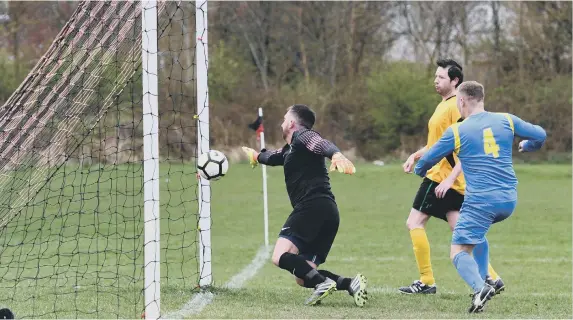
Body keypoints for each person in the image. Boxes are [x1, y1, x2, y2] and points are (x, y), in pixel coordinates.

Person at [414, 81, 546, 312]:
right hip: (508, 199)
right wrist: (529, 145)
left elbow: (427, 160)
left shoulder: (457, 130)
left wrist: (419, 171)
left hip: (481, 202)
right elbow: (541, 134)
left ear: (462, 100)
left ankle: (480, 287)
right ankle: (486, 281)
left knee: (458, 251)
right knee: (476, 236)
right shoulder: (506, 120)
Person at [242, 104, 368, 307]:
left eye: (285, 118)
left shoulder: (303, 137)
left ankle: (323, 283)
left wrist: (335, 154)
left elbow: (320, 143)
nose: (282, 122)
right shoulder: (292, 149)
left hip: (312, 207)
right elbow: (274, 157)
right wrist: (257, 156)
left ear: (292, 123)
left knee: (279, 256)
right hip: (328, 212)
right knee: (304, 277)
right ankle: (350, 284)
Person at [401, 59, 504, 294]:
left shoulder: (455, 108)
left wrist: (450, 176)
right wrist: (416, 155)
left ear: (455, 81)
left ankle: (426, 281)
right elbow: (437, 144)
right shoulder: (445, 104)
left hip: (441, 177)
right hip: (451, 180)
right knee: (462, 229)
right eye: (435, 77)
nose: (435, 81)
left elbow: (464, 143)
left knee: (414, 222)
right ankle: (492, 277)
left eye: (441, 78)